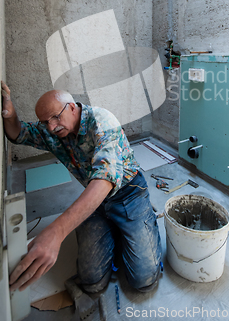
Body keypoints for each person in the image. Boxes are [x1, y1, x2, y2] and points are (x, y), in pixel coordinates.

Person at [1, 81, 162, 294]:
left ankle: (144, 217)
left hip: (129, 193)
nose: (51, 127)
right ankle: (116, 227)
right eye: (45, 121)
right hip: (95, 199)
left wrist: (56, 232)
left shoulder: (102, 121)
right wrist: (9, 112)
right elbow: (18, 133)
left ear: (72, 107)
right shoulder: (51, 130)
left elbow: (105, 179)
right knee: (91, 282)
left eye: (56, 117)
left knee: (143, 280)